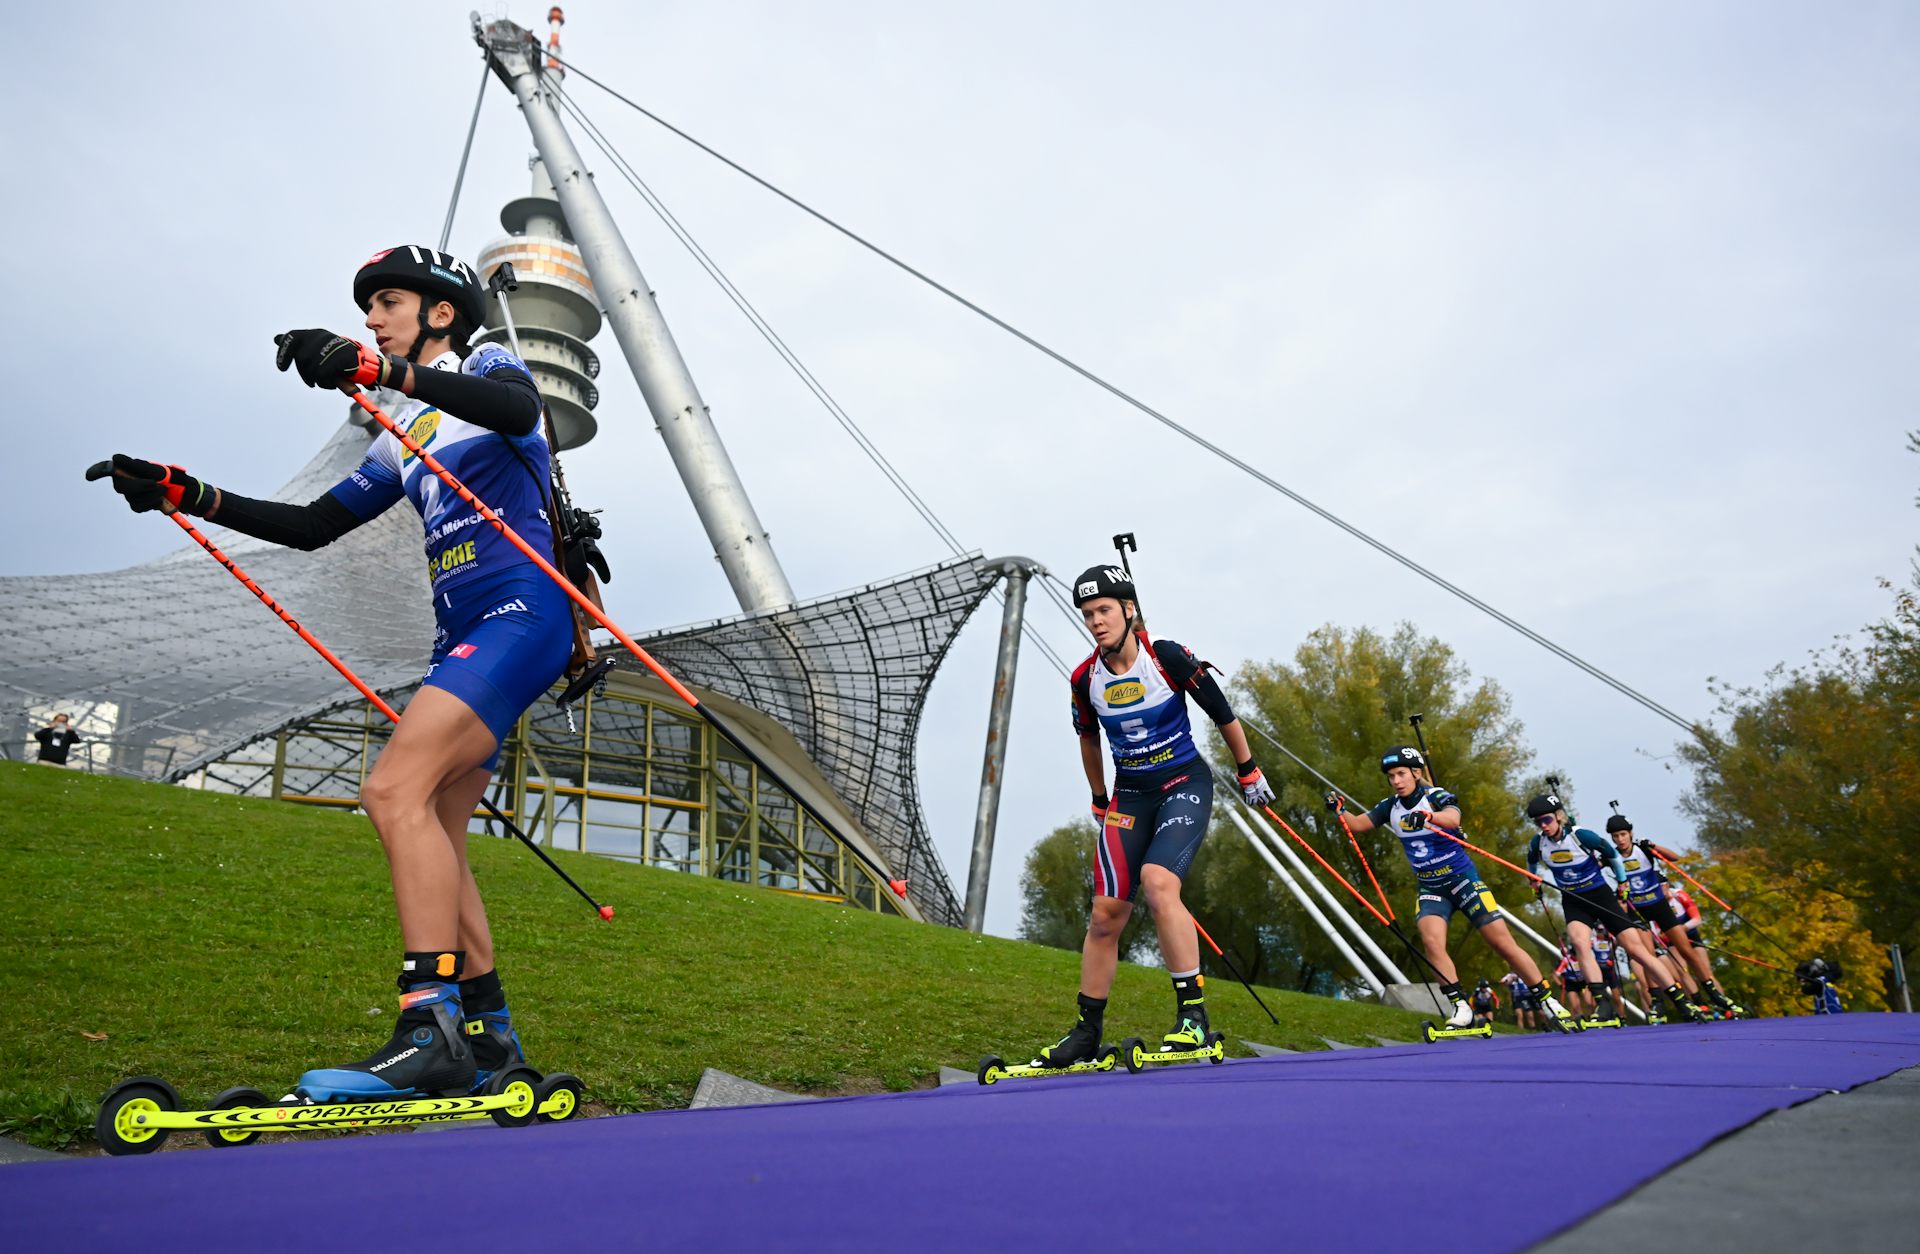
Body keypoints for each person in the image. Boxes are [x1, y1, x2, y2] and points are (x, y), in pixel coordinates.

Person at [94, 246, 570, 1101]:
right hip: (463, 630)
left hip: (521, 613)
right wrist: (189, 493)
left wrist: (377, 368)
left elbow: (518, 407)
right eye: (367, 311)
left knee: (391, 791)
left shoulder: (484, 366)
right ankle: (492, 1037)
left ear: (440, 312)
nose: (372, 319)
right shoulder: (403, 432)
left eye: (387, 302)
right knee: (436, 822)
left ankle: (428, 1027)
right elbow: (314, 526)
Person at [1035, 565, 1277, 1066]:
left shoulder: (1164, 657)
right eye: (1087, 615)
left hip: (1183, 782)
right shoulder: (1085, 678)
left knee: (1158, 882)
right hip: (1131, 796)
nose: (1096, 622)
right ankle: (1085, 1031)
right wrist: (1099, 796)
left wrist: (1249, 770)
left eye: (1104, 610)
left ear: (1128, 609)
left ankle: (1193, 1018)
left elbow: (1222, 711)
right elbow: (1088, 737)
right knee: (1105, 915)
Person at [1331, 747, 1576, 1032]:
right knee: (1431, 941)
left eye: (1401, 774)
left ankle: (1546, 1000)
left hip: (1463, 880)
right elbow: (1360, 824)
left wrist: (1428, 817)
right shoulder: (1391, 806)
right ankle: (1460, 1006)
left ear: (1416, 773)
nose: (1396, 781)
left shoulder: (1434, 796)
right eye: (1391, 776)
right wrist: (1340, 811)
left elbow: (1453, 818)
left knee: (1501, 942)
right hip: (1431, 886)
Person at [1525, 793, 1704, 1027]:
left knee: (1637, 951)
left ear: (1559, 816)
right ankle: (1602, 1004)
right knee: (1580, 944)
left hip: (1600, 896)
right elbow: (1531, 862)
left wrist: (1622, 883)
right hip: (1573, 900)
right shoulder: (1539, 843)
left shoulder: (1582, 836)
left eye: (1547, 819)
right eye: (1538, 822)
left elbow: (1612, 856)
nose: (1543, 826)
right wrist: (1534, 880)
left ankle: (1680, 1000)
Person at [1606, 814, 1744, 1018]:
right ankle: (1657, 1002)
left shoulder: (1642, 849)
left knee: (1686, 950)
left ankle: (1713, 993)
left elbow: (1674, 858)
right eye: (1615, 836)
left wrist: (1654, 846)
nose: (1620, 840)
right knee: (1648, 957)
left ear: (1630, 833)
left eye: (1623, 834)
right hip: (1637, 910)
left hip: (1659, 905)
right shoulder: (1612, 856)